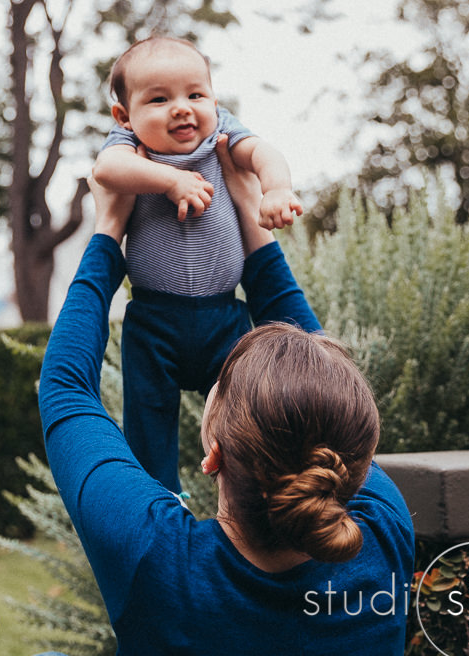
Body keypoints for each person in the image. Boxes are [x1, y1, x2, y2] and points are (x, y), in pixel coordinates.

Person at [20, 149, 414, 656]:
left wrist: (108, 231)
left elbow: (66, 390)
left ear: (214, 454)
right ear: (356, 459)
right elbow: (319, 372)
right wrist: (252, 214)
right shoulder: (384, 532)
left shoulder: (159, 555)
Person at [92, 35, 311, 493]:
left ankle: (254, 492)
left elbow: (263, 153)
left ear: (214, 99)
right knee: (148, 418)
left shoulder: (221, 133)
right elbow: (107, 170)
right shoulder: (130, 145)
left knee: (247, 413)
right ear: (124, 115)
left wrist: (275, 189)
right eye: (159, 99)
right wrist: (171, 180)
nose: (181, 108)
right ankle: (160, 496)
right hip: (154, 321)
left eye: (195, 94)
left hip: (224, 317)